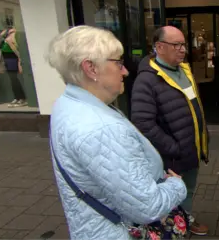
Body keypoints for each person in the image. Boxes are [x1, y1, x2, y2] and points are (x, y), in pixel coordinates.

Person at [46, 25, 187, 239]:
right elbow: (148, 207)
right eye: (118, 63)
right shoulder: (101, 128)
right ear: (91, 68)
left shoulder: (67, 103)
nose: (125, 71)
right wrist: (176, 185)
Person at [130, 26, 209, 236]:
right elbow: (143, 123)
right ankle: (173, 229)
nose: (183, 49)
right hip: (171, 156)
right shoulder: (147, 79)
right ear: (159, 47)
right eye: (177, 45)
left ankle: (186, 220)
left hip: (191, 149)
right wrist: (174, 147)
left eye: (184, 44)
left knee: (188, 190)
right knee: (171, 196)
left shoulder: (184, 69)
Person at [0, 18, 27, 108]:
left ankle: (21, 98)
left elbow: (16, 47)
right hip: (7, 60)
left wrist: (19, 61)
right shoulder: (4, 36)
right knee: (12, 80)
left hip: (12, 59)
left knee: (15, 79)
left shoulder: (13, 35)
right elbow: (0, 47)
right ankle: (17, 97)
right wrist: (1, 36)